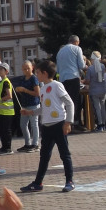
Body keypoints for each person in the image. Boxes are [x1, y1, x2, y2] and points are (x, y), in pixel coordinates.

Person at [20, 59, 75, 193]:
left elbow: (70, 103)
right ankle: (38, 183)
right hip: (47, 126)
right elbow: (44, 108)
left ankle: (69, 181)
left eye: (37, 72)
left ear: (44, 73)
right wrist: (30, 112)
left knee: (64, 154)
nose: (36, 75)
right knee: (44, 156)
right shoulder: (43, 89)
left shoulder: (57, 85)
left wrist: (68, 122)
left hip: (59, 125)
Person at [57, 35, 87, 130]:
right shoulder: (77, 48)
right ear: (77, 42)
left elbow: (57, 69)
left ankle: (66, 123)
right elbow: (81, 65)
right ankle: (75, 123)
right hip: (73, 77)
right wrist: (88, 68)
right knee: (74, 101)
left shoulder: (60, 51)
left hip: (62, 79)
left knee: (66, 102)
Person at [13, 60, 41, 151]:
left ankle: (35, 144)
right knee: (23, 124)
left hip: (33, 104)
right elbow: (20, 89)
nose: (26, 70)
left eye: (28, 68)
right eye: (24, 69)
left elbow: (37, 93)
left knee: (34, 124)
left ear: (32, 68)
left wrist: (25, 90)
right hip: (24, 104)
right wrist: (18, 89)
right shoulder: (23, 78)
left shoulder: (34, 78)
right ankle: (27, 143)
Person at [0, 62, 16, 155]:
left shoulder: (5, 82)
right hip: (3, 111)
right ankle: (4, 147)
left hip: (7, 111)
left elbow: (9, 95)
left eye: (1, 69)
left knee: (5, 129)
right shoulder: (2, 81)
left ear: (6, 71)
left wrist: (1, 99)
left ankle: (7, 148)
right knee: (1, 129)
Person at [86, 51, 106, 132]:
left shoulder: (90, 68)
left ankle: (99, 124)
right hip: (102, 89)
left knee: (97, 108)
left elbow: (88, 80)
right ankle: (103, 124)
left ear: (92, 59)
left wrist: (83, 81)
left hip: (94, 90)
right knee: (103, 107)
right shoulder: (103, 66)